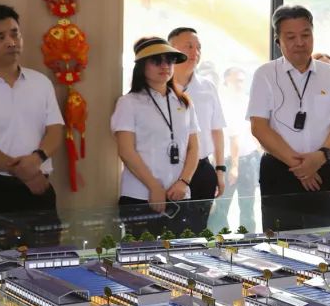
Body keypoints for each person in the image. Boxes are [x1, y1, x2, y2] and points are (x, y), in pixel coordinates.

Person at [248, 5, 330, 232]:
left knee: (329, 238)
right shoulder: (265, 74)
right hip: (280, 171)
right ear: (278, 41)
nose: (300, 42)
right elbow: (259, 127)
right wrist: (300, 166)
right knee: (281, 241)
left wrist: (319, 157)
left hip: (324, 168)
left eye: (305, 35)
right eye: (291, 37)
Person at [111, 37, 202, 234]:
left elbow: (194, 147)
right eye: (156, 61)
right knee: (141, 252)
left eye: (169, 60)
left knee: (179, 250)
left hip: (178, 195)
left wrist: (183, 182)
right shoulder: (129, 102)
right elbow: (126, 151)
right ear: (141, 66)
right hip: (139, 195)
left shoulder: (184, 102)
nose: (165, 66)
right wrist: (154, 187)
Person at [0, 5, 64, 232]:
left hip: (39, 186)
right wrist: (22, 171)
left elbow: (55, 129)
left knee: (46, 250)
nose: (11, 42)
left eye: (15, 34)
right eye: (0, 37)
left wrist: (37, 158)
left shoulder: (40, 82)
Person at [168, 28, 227, 215]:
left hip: (202, 169)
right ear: (171, 49)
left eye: (199, 47)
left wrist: (220, 169)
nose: (196, 52)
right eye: (189, 46)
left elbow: (217, 130)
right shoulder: (158, 88)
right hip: (168, 170)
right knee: (168, 227)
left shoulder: (207, 87)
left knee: (199, 227)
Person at [213, 67, 260, 233]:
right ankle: (221, 240)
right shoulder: (221, 102)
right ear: (227, 80)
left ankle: (249, 240)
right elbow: (233, 137)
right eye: (237, 80)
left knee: (248, 206)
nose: (240, 84)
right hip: (226, 162)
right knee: (222, 205)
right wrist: (234, 166)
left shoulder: (248, 101)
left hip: (249, 158)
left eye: (242, 81)